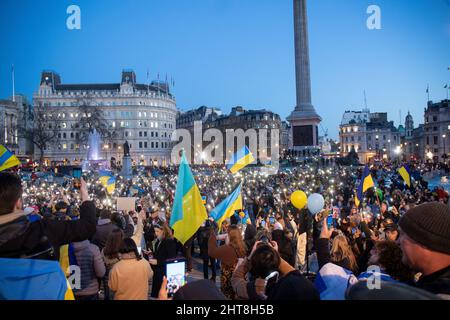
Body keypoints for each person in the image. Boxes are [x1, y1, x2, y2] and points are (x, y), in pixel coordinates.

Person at [0, 173, 96, 261]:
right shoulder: (43, 230)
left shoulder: (45, 223)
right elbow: (87, 226)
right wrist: (84, 194)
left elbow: (47, 212)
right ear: (18, 202)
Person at [398, 202, 450, 298]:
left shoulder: (440, 294)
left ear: (425, 241)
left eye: (402, 234)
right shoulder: (428, 286)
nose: (398, 242)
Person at [208, 224, 247, 299]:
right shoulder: (242, 246)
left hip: (228, 284)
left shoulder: (228, 249)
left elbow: (211, 252)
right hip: (239, 283)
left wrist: (213, 235)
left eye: (227, 233)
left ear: (229, 236)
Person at [148, 224, 177, 298]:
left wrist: (158, 262)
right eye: (155, 231)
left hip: (164, 273)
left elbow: (172, 259)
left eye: (158, 231)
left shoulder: (169, 241)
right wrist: (151, 253)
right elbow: (160, 254)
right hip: (158, 272)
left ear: (163, 231)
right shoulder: (159, 241)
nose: (156, 233)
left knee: (162, 294)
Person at [101, 229, 124, 300]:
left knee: (108, 296)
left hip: (107, 278)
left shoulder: (104, 250)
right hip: (120, 278)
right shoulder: (123, 252)